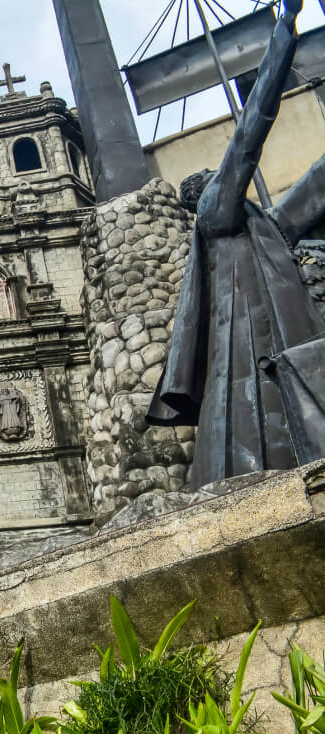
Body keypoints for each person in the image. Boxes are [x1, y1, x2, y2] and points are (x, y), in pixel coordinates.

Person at [148, 0, 325, 486]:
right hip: (254, 348)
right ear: (202, 191)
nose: (217, 172)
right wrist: (283, 32)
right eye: (211, 175)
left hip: (274, 343)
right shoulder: (215, 213)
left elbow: (312, 190)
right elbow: (251, 131)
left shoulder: (253, 227)